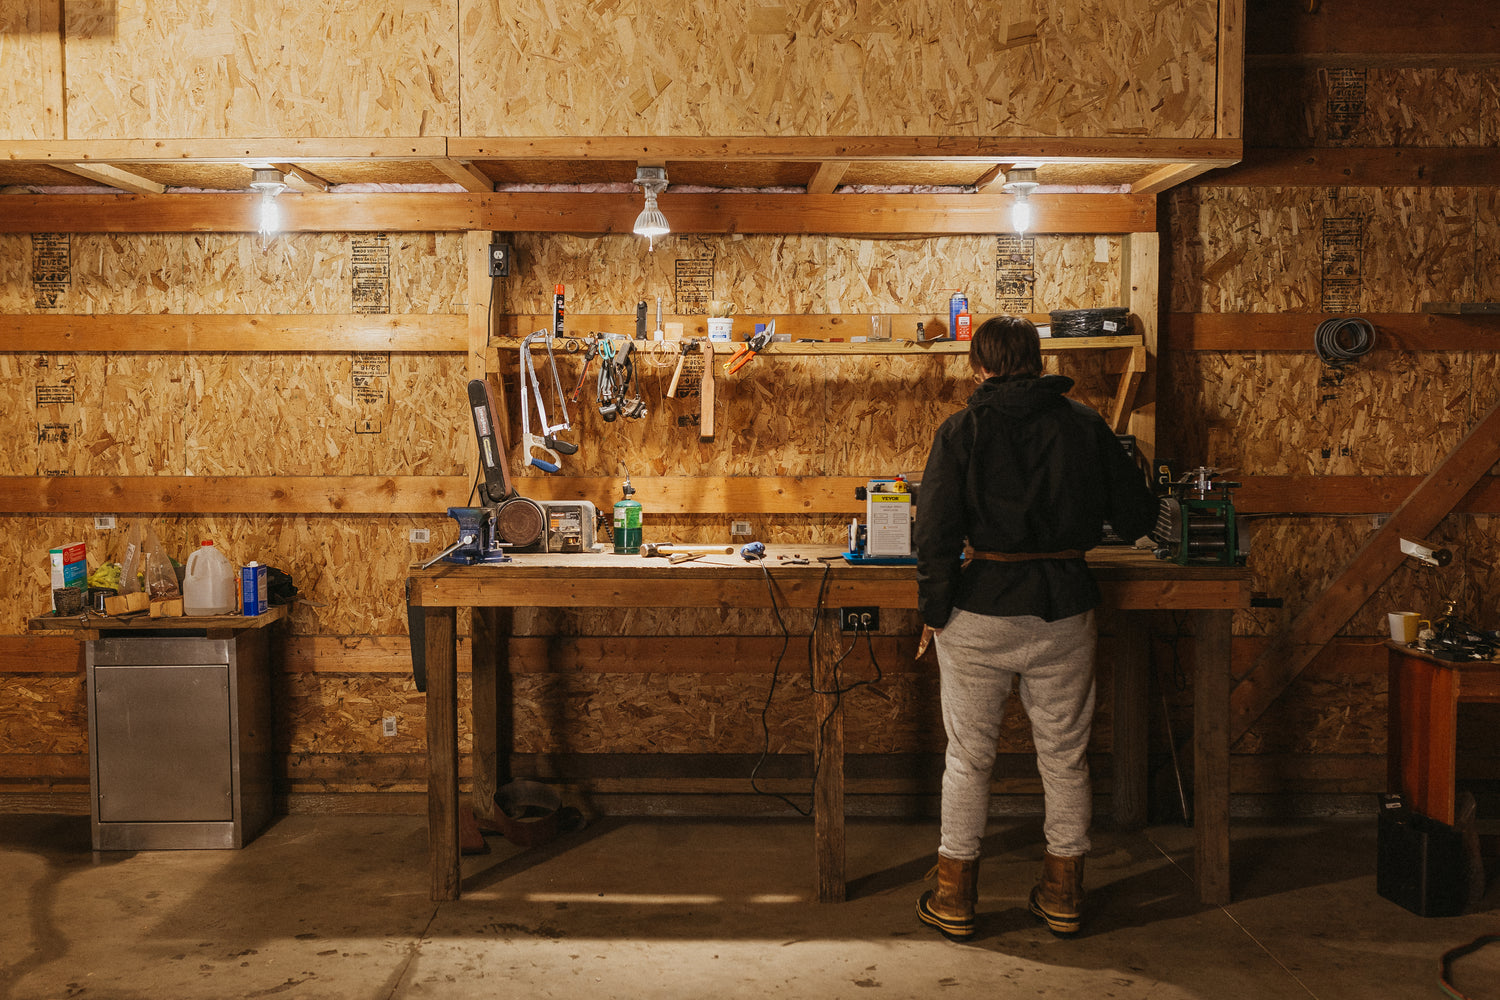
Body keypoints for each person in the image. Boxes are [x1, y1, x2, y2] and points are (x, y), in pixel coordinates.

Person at [912, 315, 1159, 941]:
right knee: (1066, 759)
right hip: (1064, 609)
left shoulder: (961, 429)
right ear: (1040, 360)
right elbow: (1135, 514)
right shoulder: (1084, 424)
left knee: (968, 760)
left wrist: (933, 614)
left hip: (980, 610)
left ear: (979, 364)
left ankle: (954, 896)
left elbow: (935, 534)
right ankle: (1063, 894)